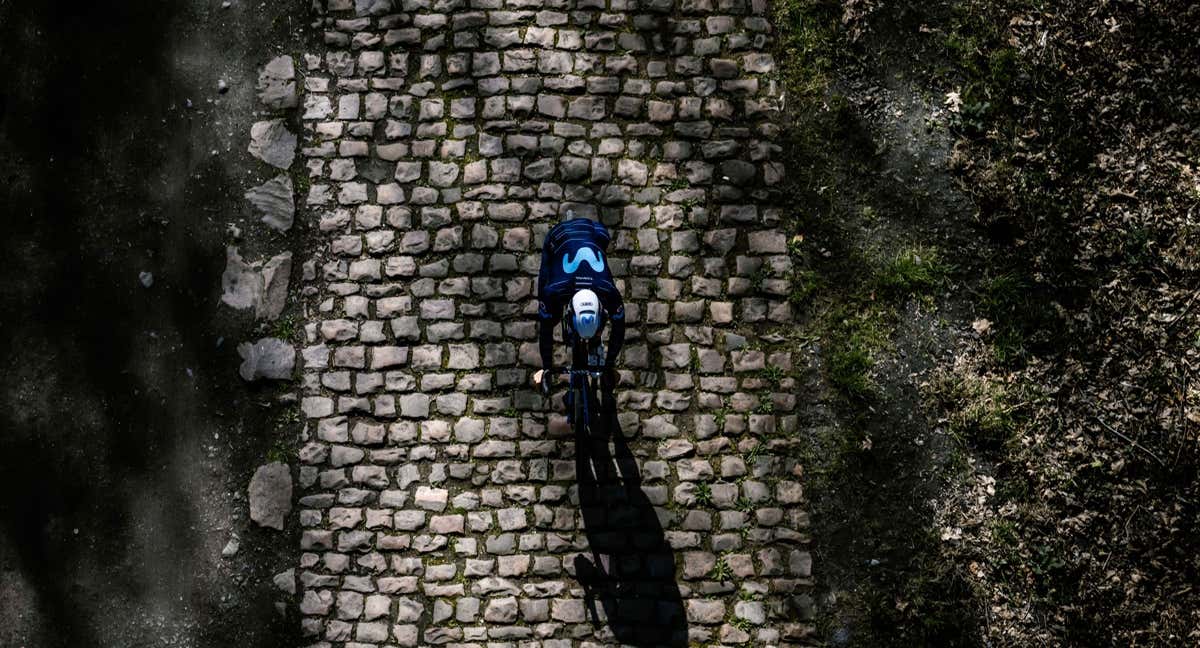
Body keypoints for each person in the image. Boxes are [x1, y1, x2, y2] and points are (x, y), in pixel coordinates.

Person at [534, 211, 625, 393]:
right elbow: (545, 328)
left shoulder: (608, 291)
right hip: (559, 236)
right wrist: (546, 367)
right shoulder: (554, 290)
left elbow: (619, 327)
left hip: (596, 232)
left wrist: (609, 364)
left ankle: (594, 336)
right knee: (549, 311)